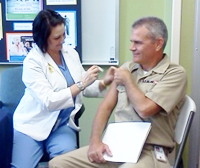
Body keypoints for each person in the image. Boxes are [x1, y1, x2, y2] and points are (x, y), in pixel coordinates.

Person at [49, 16, 187, 168]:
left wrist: (128, 80)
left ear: (158, 44)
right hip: (117, 145)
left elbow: (145, 109)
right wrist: (95, 141)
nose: (131, 47)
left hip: (150, 150)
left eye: (138, 42)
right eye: (131, 41)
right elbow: (105, 107)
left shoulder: (174, 74)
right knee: (58, 164)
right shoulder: (128, 68)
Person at [11, 9, 115, 168]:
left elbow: (85, 88)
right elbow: (49, 101)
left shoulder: (70, 53)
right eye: (56, 37)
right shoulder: (32, 62)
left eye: (64, 34)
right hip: (32, 125)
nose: (62, 40)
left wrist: (104, 82)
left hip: (62, 125)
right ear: (42, 38)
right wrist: (81, 84)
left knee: (67, 164)